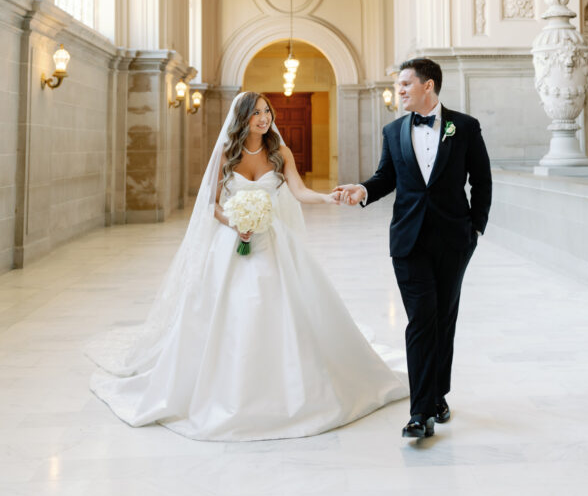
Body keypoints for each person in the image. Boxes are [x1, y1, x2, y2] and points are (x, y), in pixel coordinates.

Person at [87, 91, 407, 441]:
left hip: (273, 242)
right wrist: (234, 222)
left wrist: (327, 197)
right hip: (231, 243)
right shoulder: (227, 153)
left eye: (266, 111)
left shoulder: (280, 151)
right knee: (233, 309)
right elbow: (211, 204)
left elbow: (299, 191)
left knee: (280, 305)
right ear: (242, 117)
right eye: (256, 113)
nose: (264, 118)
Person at [337, 58, 492, 440]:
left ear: (428, 85)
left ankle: (438, 395)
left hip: (454, 240)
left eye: (406, 84)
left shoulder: (465, 127)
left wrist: (475, 228)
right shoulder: (393, 131)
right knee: (421, 319)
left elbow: (482, 181)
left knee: (444, 319)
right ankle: (420, 412)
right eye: (399, 85)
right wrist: (363, 190)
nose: (400, 90)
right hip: (408, 241)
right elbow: (386, 177)